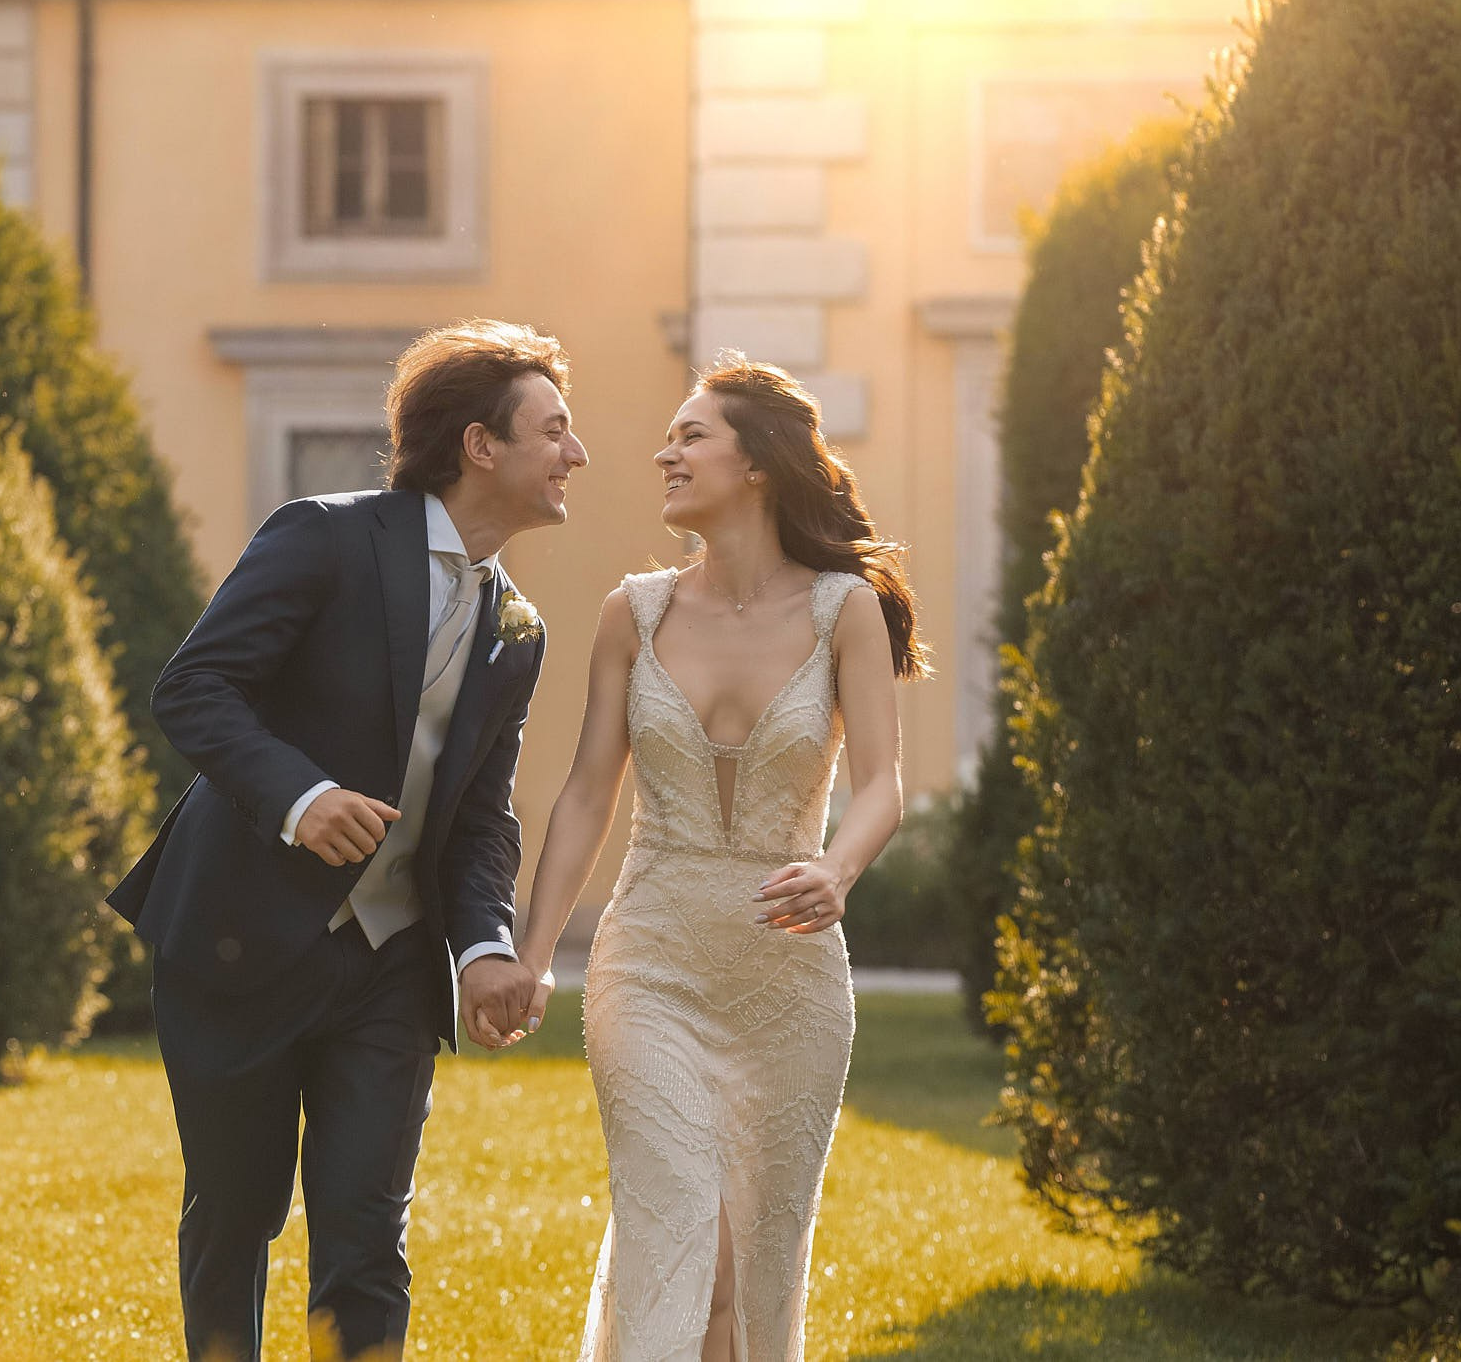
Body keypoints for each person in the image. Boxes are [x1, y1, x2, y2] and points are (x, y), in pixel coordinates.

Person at [105, 319, 586, 1361]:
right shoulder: (322, 536)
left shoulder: (518, 630)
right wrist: (302, 796)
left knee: (367, 1239)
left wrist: (485, 946)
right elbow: (194, 686)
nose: (576, 453)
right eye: (553, 429)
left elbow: (481, 815)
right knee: (236, 1213)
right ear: (479, 445)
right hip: (236, 936)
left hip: (390, 966)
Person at [513, 355, 928, 1361]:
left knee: (753, 1277)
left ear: (758, 463)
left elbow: (882, 783)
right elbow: (585, 794)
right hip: (650, 967)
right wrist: (532, 954)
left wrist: (835, 870)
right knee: (677, 1245)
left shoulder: (844, 609)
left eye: (690, 435)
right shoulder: (633, 612)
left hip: (789, 982)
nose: (666, 453)